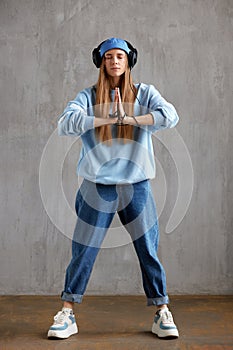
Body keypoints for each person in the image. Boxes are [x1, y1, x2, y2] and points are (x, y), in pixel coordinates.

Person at [47, 37, 180, 339]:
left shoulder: (145, 93)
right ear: (101, 62)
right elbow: (65, 123)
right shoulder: (88, 95)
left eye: (120, 56)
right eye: (109, 57)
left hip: (137, 185)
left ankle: (161, 311)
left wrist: (131, 118)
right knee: (84, 251)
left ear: (129, 60)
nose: (115, 61)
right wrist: (105, 117)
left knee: (148, 250)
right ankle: (67, 312)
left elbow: (170, 116)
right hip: (98, 187)